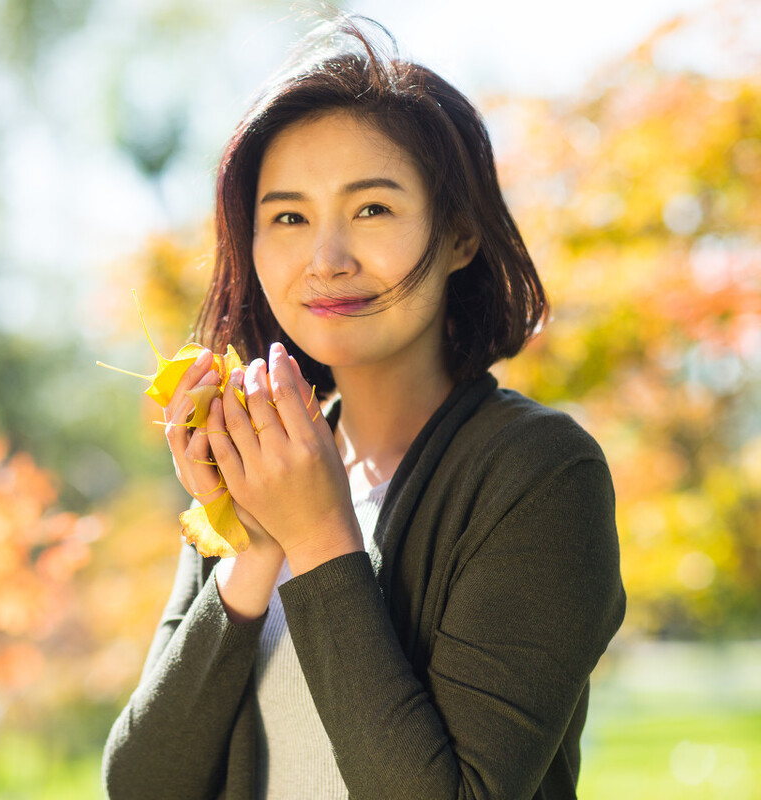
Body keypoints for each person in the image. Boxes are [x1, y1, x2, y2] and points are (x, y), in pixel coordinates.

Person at [102, 15, 626, 800]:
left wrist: (317, 536)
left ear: (458, 236)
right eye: (288, 217)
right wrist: (252, 541)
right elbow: (143, 786)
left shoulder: (540, 472)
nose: (327, 259)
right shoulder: (262, 459)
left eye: (373, 209)